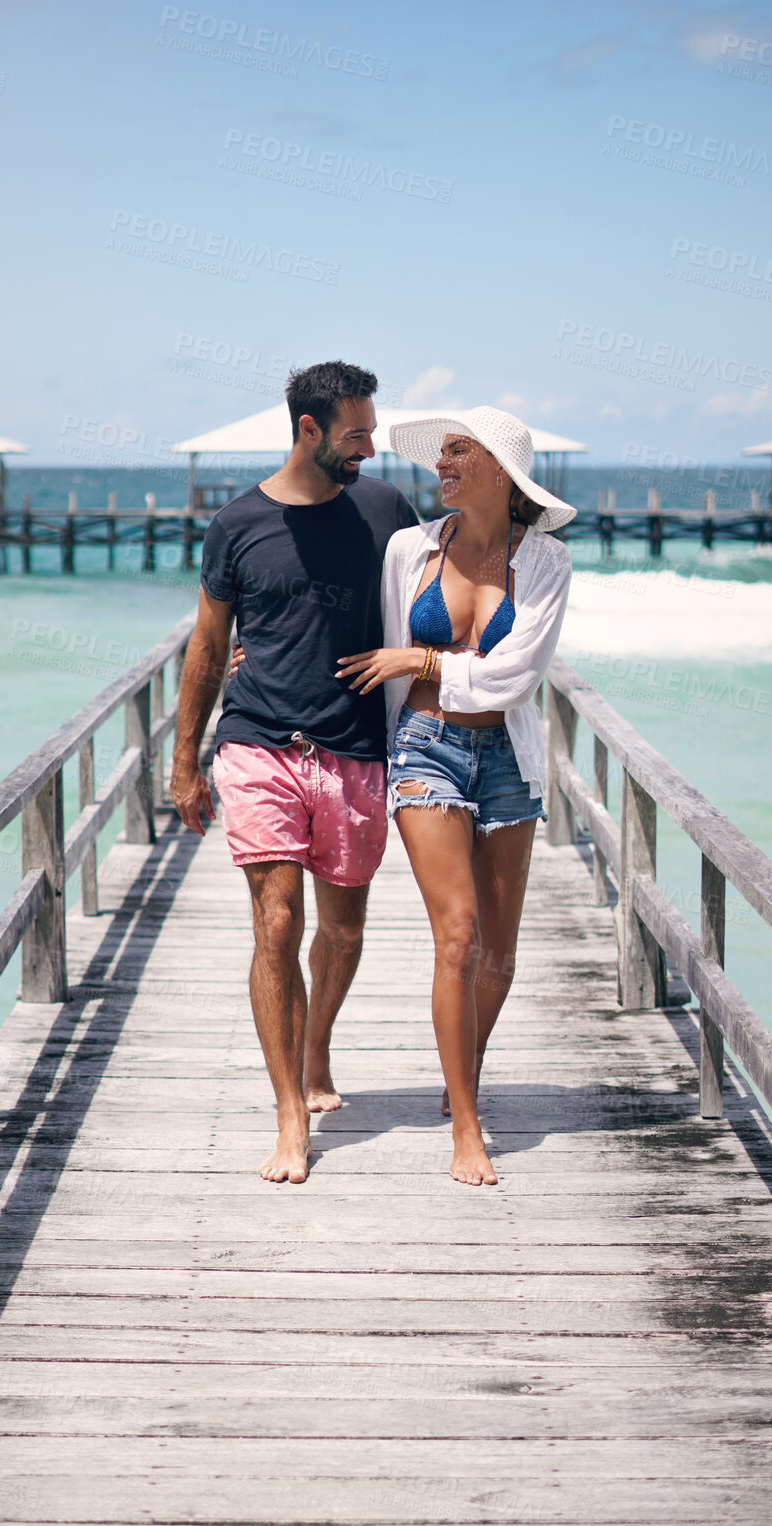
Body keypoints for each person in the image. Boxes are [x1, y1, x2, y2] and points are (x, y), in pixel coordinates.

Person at [171, 361, 418, 1184]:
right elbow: (209, 648)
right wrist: (185, 762)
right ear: (308, 430)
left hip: (355, 749)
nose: (370, 448)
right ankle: (287, 1114)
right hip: (258, 742)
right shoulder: (237, 524)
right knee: (275, 921)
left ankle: (316, 1052)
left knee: (341, 929)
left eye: (371, 432)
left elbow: (444, 596)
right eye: (357, 434)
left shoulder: (386, 511)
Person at [337, 407, 575, 1187]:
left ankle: (459, 1072)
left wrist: (427, 660)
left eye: (458, 452)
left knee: (499, 955)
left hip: (508, 756)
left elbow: (517, 676)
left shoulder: (544, 563)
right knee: (459, 935)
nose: (442, 464)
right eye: (441, 453)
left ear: (501, 472)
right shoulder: (411, 549)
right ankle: (467, 1127)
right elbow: (374, 639)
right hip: (425, 748)